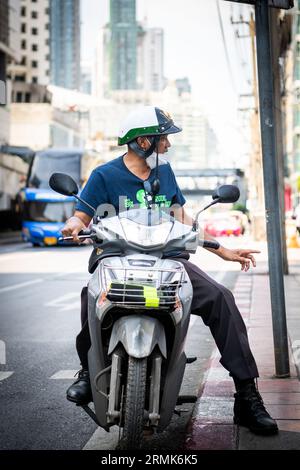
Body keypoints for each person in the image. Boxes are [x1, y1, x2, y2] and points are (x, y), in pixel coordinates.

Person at [62, 106, 278, 436]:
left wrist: (224, 252)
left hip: (168, 263)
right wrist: (73, 225)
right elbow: (82, 216)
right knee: (89, 296)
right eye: (164, 138)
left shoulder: (166, 174)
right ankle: (88, 373)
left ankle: (247, 396)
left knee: (221, 298)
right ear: (143, 141)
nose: (168, 145)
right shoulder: (104, 175)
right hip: (117, 262)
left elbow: (183, 219)